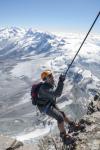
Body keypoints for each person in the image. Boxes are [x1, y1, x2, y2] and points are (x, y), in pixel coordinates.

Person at [36, 70, 84, 145]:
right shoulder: (44, 88)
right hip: (45, 107)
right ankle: (64, 137)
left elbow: (55, 92)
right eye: (49, 76)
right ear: (45, 79)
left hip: (49, 103)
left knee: (62, 114)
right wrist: (61, 81)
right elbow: (57, 94)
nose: (52, 76)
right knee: (60, 117)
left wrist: (60, 81)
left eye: (51, 75)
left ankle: (72, 126)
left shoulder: (49, 84)